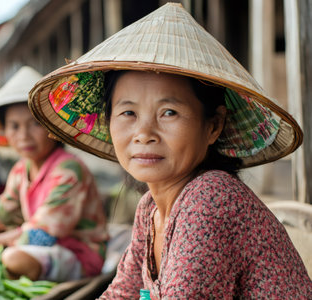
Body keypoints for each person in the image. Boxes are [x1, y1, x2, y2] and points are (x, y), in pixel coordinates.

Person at [28, 3, 311, 298]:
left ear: (213, 126)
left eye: (169, 113)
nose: (144, 134)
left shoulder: (211, 198)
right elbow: (121, 293)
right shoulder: (149, 208)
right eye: (128, 113)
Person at [0, 66, 109, 282]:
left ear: (52, 127)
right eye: (14, 126)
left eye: (34, 124)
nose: (23, 136)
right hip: (36, 247)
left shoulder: (69, 170)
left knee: (13, 258)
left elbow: (39, 236)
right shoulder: (20, 170)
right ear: (5, 130)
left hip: (79, 256)